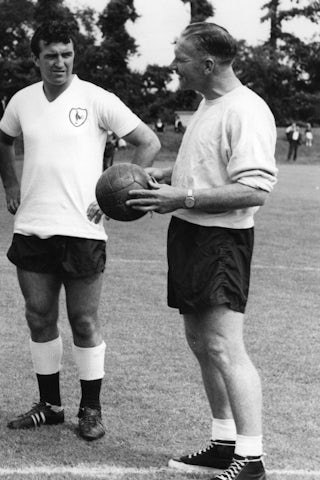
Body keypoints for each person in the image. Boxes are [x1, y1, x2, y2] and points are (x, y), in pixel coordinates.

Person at [0, 21, 160, 441]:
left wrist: (113, 192)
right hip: (32, 226)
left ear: (74, 55)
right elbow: (2, 142)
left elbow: (148, 141)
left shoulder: (96, 98)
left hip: (82, 229)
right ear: (36, 58)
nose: (60, 62)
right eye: (50, 55)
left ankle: (91, 408)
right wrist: (11, 184)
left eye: (66, 54)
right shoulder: (22, 101)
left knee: (83, 321)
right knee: (38, 317)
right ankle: (49, 406)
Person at [127, 23, 277, 480]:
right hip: (190, 234)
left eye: (181, 58)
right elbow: (205, 169)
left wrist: (183, 198)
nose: (174, 64)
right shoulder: (208, 104)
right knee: (200, 343)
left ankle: (250, 459)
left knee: (224, 345)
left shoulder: (246, 110)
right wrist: (157, 180)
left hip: (221, 241)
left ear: (208, 64)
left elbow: (255, 189)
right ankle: (224, 441)